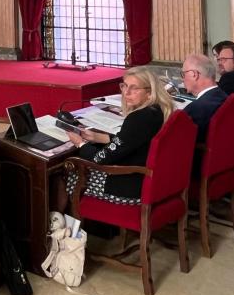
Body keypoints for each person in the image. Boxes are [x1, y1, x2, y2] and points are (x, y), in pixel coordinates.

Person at [64, 67, 174, 206]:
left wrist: (80, 144)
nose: (126, 92)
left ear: (149, 93)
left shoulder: (139, 118)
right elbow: (131, 141)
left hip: (131, 186)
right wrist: (98, 137)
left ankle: (63, 226)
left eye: (134, 88)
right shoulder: (158, 110)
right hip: (153, 181)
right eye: (125, 85)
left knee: (68, 175)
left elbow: (100, 159)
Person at [181, 54, 229, 177]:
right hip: (224, 164)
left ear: (194, 74)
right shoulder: (224, 97)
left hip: (198, 169)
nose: (183, 79)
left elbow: (178, 143)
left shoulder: (197, 108)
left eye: (183, 74)